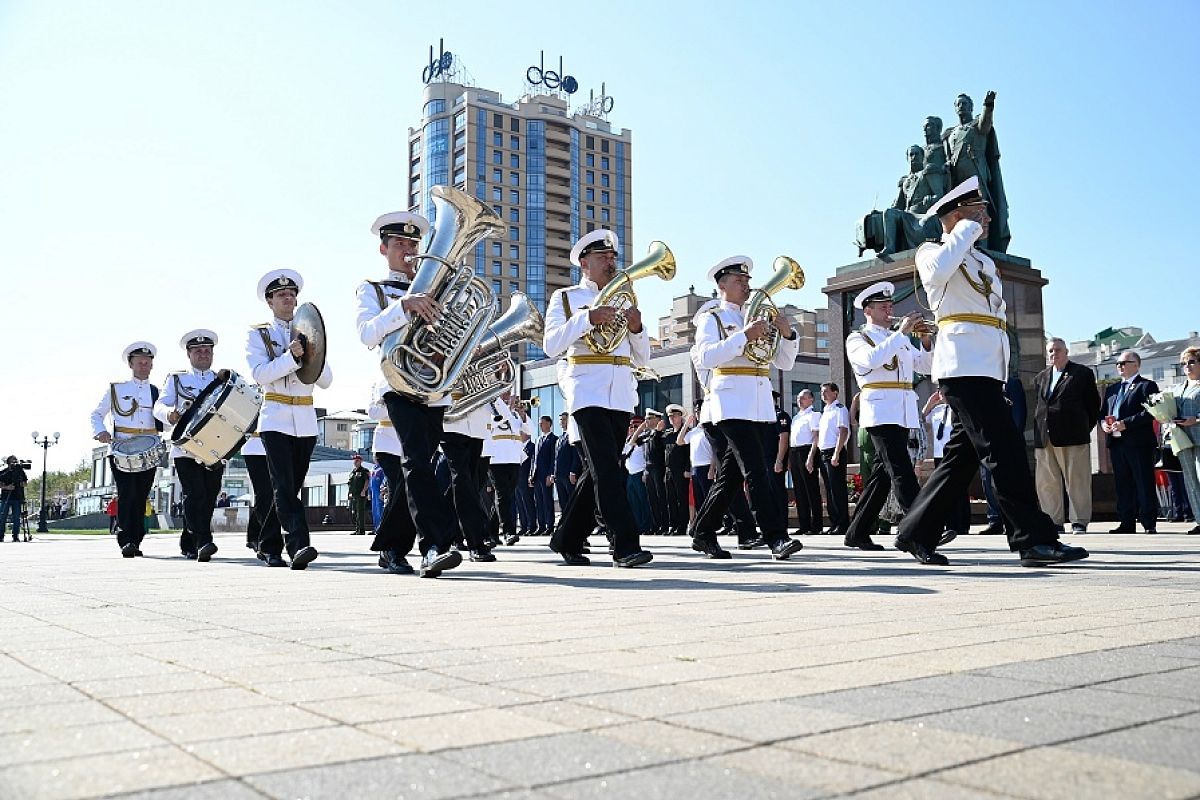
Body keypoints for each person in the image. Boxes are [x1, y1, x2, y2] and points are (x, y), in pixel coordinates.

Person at [895, 176, 1087, 566]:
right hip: (962, 365)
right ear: (956, 215)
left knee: (961, 458)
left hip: (987, 368)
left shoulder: (982, 260)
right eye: (977, 212)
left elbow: (993, 317)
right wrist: (961, 228)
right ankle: (1033, 539)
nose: (985, 220)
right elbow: (937, 275)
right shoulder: (931, 250)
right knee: (1005, 449)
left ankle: (915, 532)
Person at [356, 210, 461, 578]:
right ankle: (434, 545)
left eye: (413, 243)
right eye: (400, 243)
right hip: (397, 384)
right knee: (417, 462)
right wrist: (404, 306)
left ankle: (390, 548)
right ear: (384, 249)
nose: (408, 249)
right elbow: (367, 333)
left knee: (418, 467)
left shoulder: (439, 289)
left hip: (434, 389)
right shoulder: (374, 289)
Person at [543, 228, 653, 567]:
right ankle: (625, 546)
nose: (611, 261)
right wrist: (587, 318)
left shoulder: (626, 298)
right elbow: (551, 345)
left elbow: (643, 358)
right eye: (603, 257)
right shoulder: (565, 298)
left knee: (599, 470)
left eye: (613, 257)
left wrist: (637, 328)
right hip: (587, 388)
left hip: (620, 392)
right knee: (607, 469)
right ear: (583, 262)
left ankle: (567, 538)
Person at [689, 255, 803, 561]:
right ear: (722, 285)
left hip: (760, 404)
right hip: (729, 403)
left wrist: (788, 334)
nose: (747, 286)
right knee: (757, 470)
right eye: (740, 281)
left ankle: (703, 531)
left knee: (731, 477)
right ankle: (776, 537)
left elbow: (784, 362)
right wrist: (744, 336)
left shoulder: (760, 318)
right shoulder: (711, 319)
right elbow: (706, 357)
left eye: (748, 281)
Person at [247, 269, 332, 570]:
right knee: (283, 486)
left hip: (306, 419)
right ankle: (299, 545)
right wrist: (290, 358)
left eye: (292, 294)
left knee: (289, 488)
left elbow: (326, 380)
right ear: (270, 301)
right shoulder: (259, 334)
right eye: (281, 295)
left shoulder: (308, 331)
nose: (288, 298)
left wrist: (311, 353)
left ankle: (268, 545)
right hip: (275, 419)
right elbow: (259, 374)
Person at [842, 282, 933, 551]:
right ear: (867, 310)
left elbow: (925, 367)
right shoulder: (858, 338)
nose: (889, 310)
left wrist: (926, 340)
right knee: (901, 470)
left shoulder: (900, 338)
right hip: (880, 411)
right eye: (883, 306)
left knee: (883, 474)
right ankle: (921, 529)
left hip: (902, 411)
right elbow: (870, 360)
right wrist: (902, 332)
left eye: (890, 305)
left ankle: (856, 531)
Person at [153, 329, 223, 562]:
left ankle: (188, 540)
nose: (203, 354)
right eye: (198, 351)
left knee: (210, 495)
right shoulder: (177, 378)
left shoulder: (222, 380)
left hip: (214, 447)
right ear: (189, 354)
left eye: (207, 350)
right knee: (195, 495)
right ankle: (204, 540)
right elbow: (159, 406)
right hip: (186, 447)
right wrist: (169, 414)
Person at [90, 341, 162, 557]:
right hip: (121, 449)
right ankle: (126, 539)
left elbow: (163, 424)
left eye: (147, 361)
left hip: (148, 448)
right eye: (139, 361)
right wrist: (101, 431)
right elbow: (96, 414)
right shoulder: (117, 389)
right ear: (130, 364)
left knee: (141, 496)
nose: (144, 364)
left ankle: (136, 539)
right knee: (127, 494)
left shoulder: (156, 391)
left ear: (152, 365)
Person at [1033, 337, 1100, 534]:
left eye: (1058, 350)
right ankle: (1053, 521)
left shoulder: (1081, 373)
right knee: (1047, 483)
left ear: (1066, 351)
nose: (1054, 354)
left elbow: (1093, 405)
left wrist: (1082, 427)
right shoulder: (1041, 377)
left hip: (1073, 436)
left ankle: (1079, 520)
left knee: (1077, 480)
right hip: (1044, 437)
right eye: (1051, 351)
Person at [1102, 350, 1161, 533]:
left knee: (1143, 482)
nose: (1120, 366)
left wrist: (1125, 424)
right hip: (1117, 443)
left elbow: (1151, 412)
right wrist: (1104, 424)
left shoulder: (1147, 386)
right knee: (1123, 483)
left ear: (1136, 365)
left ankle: (1148, 522)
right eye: (1118, 363)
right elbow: (1103, 412)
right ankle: (1126, 522)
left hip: (1138, 443)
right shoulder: (1112, 389)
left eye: (1124, 363)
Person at [365, 380, 419, 574]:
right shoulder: (380, 381)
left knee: (407, 494)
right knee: (400, 491)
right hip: (387, 444)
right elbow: (373, 412)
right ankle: (391, 549)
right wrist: (400, 401)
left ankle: (392, 549)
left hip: (412, 441)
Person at [922, 389, 970, 542]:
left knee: (959, 489)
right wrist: (930, 404)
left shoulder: (959, 409)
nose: (942, 396)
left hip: (955, 452)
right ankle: (949, 523)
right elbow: (921, 419)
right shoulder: (937, 410)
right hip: (939, 453)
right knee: (944, 488)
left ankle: (962, 524)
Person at [488, 391, 529, 546]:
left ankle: (490, 532)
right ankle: (508, 532)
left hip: (513, 458)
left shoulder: (514, 414)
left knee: (504, 497)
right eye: (504, 395)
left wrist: (522, 414)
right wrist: (508, 409)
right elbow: (494, 424)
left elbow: (528, 431)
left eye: (509, 394)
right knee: (503, 496)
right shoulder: (491, 409)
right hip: (497, 459)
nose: (508, 397)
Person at [809, 383, 850, 537]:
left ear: (835, 393)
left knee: (837, 490)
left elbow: (843, 431)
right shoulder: (825, 411)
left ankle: (842, 523)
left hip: (834, 451)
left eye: (826, 391)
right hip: (823, 452)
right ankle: (834, 522)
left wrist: (837, 453)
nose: (823, 394)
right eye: (821, 392)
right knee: (828, 489)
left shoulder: (840, 409)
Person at [241, 431, 283, 565]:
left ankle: (255, 535)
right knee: (265, 494)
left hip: (278, 446)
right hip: (255, 448)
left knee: (271, 495)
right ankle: (266, 544)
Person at [1171, 346, 1200, 535]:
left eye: (1191, 362)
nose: (1187, 366)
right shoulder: (1179, 388)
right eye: (1183, 363)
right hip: (1182, 439)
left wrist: (1196, 419)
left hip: (1198, 436)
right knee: (1190, 481)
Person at [788, 390, 823, 536]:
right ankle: (804, 524)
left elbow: (816, 437)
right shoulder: (796, 417)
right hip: (795, 452)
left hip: (807, 451)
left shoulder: (814, 415)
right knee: (799, 491)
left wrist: (810, 457)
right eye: (798, 398)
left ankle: (816, 525)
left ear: (811, 400)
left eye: (803, 398)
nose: (800, 400)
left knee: (811, 489)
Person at [680, 405, 714, 515]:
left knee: (708, 497)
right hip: (695, 468)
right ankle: (702, 523)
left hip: (707, 466)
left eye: (700, 411)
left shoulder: (710, 429)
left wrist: (712, 468)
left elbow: (715, 450)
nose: (698, 414)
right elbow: (680, 441)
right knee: (698, 499)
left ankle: (712, 522)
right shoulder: (694, 431)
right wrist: (686, 424)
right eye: (696, 412)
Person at [663, 404, 691, 536]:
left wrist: (687, 469)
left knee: (682, 499)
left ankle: (682, 526)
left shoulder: (686, 432)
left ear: (680, 417)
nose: (672, 419)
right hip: (669, 471)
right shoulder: (667, 434)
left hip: (681, 471)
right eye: (670, 416)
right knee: (671, 499)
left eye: (675, 416)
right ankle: (673, 525)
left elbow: (689, 453)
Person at [622, 417, 654, 535]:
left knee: (643, 501)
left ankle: (646, 525)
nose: (632, 429)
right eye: (631, 427)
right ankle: (637, 525)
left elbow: (647, 456)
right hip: (630, 473)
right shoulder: (628, 440)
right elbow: (624, 452)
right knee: (633, 502)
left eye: (636, 426)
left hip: (640, 472)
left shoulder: (643, 438)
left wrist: (646, 471)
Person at [641, 409, 668, 534]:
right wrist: (641, 428)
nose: (647, 421)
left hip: (658, 468)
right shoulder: (646, 434)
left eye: (649, 418)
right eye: (646, 419)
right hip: (648, 468)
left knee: (661, 497)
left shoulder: (661, 434)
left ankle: (664, 524)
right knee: (652, 499)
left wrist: (657, 431)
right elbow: (633, 442)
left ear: (657, 420)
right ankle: (656, 525)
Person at [530, 415, 558, 535]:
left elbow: (553, 458)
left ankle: (550, 525)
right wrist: (531, 474)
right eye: (539, 423)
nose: (540, 425)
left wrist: (550, 474)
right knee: (539, 502)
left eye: (542, 423)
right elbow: (534, 459)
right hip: (537, 475)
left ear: (549, 424)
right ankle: (541, 525)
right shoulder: (538, 439)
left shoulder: (554, 439)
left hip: (546, 475)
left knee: (547, 501)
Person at [553, 411, 582, 514]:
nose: (562, 421)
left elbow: (576, 455)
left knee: (572, 501)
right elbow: (556, 458)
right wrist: (554, 473)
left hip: (569, 476)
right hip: (559, 476)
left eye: (564, 419)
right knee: (563, 502)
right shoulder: (559, 439)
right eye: (561, 420)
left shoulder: (573, 436)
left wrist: (573, 471)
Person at [0, 456, 28, 542]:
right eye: (13, 461)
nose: (15, 463)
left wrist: (22, 484)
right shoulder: (4, 472)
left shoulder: (20, 472)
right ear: (8, 463)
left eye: (16, 461)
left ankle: (15, 536)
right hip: (6, 497)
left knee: (16, 518)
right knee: (2, 517)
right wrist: (7, 487)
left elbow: (25, 483)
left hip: (17, 497)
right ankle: (1, 535)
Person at [346, 454, 371, 536]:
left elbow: (367, 481)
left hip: (361, 495)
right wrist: (349, 493)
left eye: (357, 460)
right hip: (353, 495)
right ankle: (357, 529)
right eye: (354, 460)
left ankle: (361, 530)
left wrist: (364, 491)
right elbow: (350, 484)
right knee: (354, 512)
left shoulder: (364, 471)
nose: (355, 462)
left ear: (361, 461)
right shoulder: (352, 472)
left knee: (360, 512)